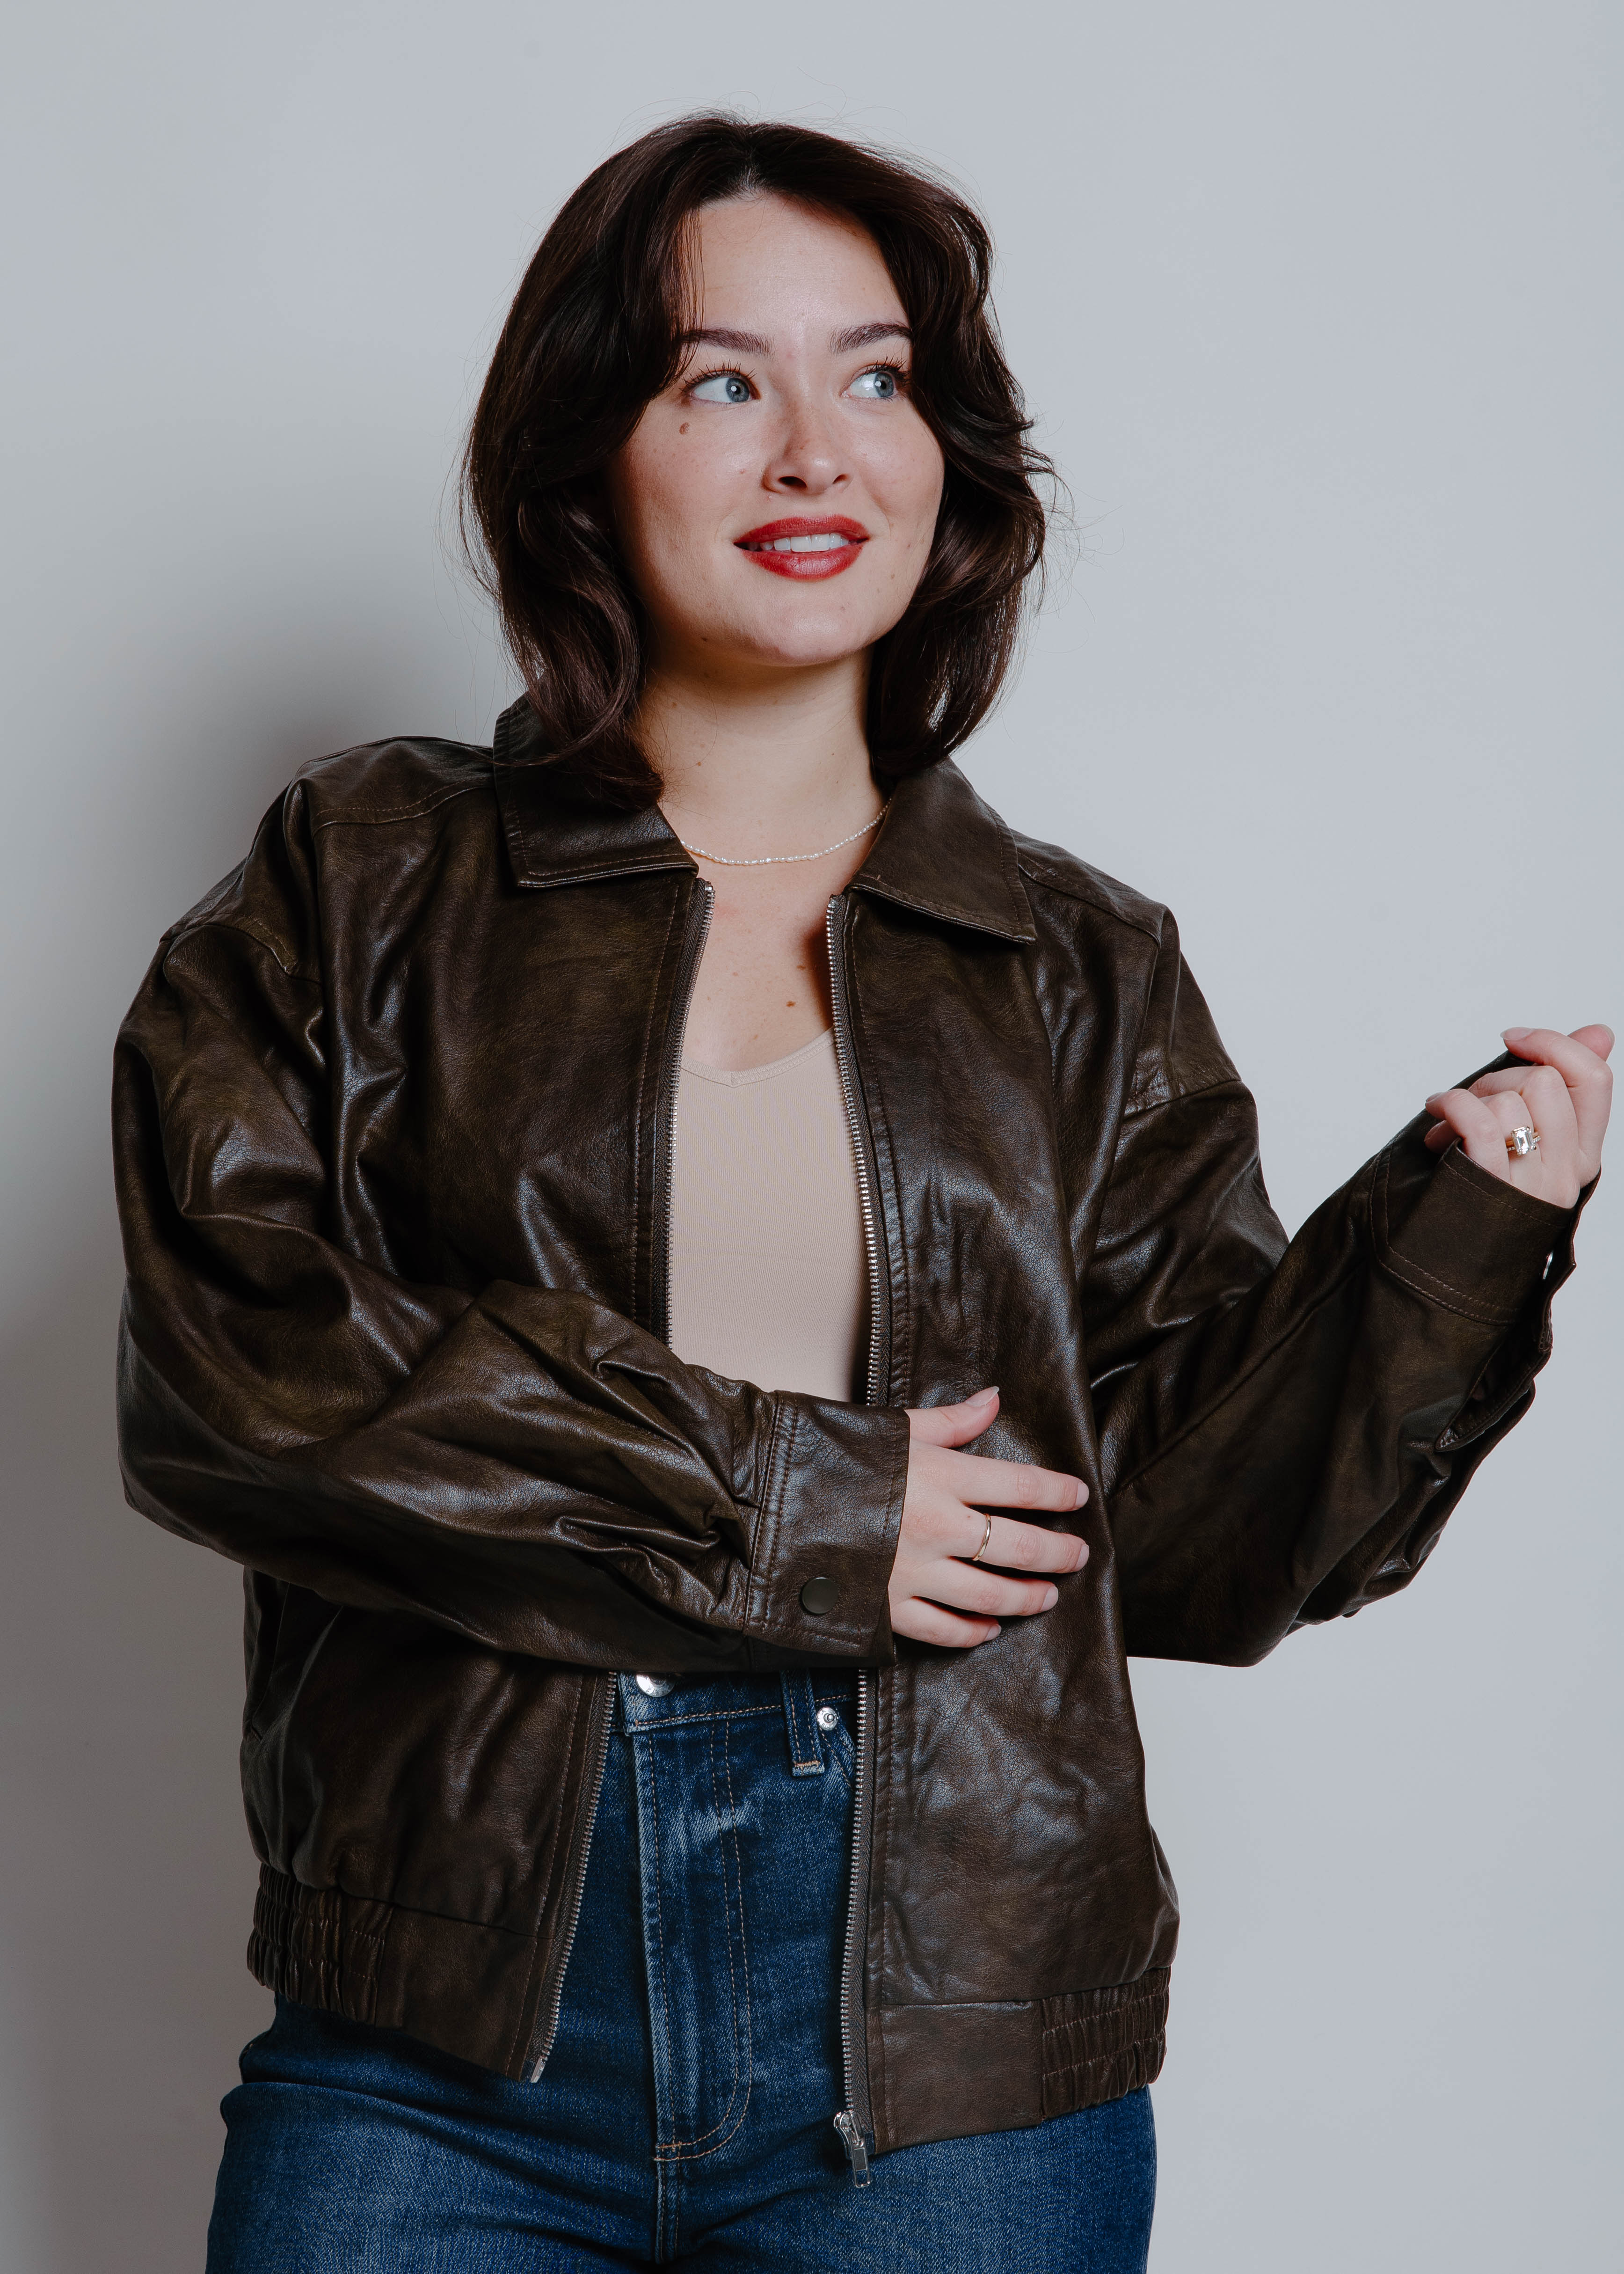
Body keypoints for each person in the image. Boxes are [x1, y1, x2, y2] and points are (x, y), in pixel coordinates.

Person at [112, 115, 1611, 2273]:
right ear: (582, 459)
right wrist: (801, 1506)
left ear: (947, 461)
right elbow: (229, 1373)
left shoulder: (1079, 964)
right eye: (722, 379)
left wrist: (1444, 1252)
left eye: (877, 377)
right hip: (436, 2044)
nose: (815, 449)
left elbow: (1184, 1549)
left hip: (946, 2071)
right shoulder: (364, 877)